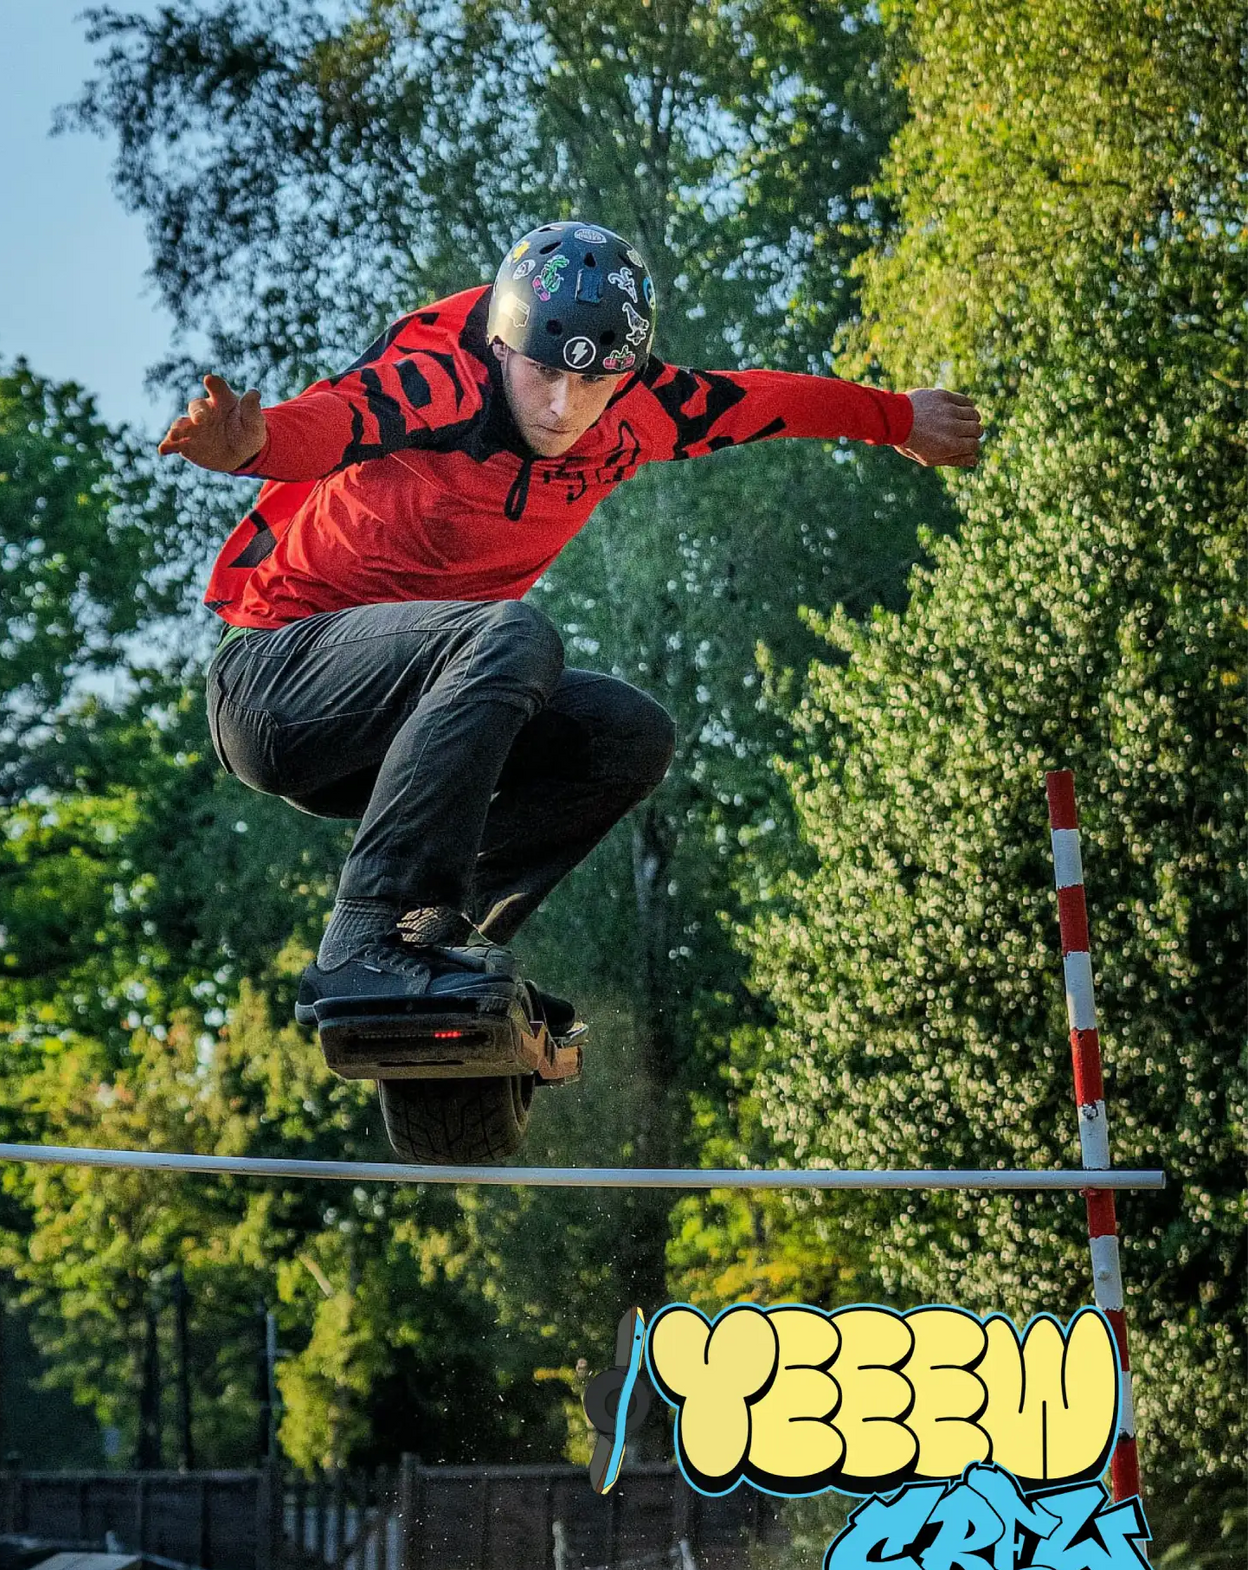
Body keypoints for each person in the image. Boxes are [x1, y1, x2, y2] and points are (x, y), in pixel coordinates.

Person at [159, 221, 981, 1031]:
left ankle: (436, 941)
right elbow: (335, 419)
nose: (563, 407)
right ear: (508, 347)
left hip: (410, 740)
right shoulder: (440, 372)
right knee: (514, 636)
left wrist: (897, 417)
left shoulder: (646, 407)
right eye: (544, 374)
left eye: (593, 384)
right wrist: (252, 443)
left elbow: (761, 401)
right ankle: (367, 937)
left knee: (626, 734)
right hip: (280, 689)